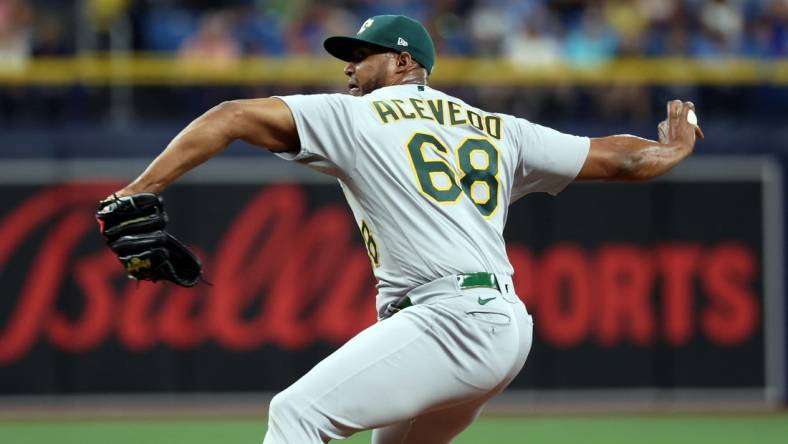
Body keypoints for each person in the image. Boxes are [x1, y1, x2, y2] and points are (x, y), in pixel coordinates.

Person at [109, 14, 703, 444]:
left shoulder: (359, 115)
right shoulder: (499, 127)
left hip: (449, 319)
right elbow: (623, 158)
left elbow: (231, 116)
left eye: (362, 54)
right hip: (503, 325)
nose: (348, 66)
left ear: (402, 62)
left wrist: (141, 188)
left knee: (296, 416)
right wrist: (671, 149)